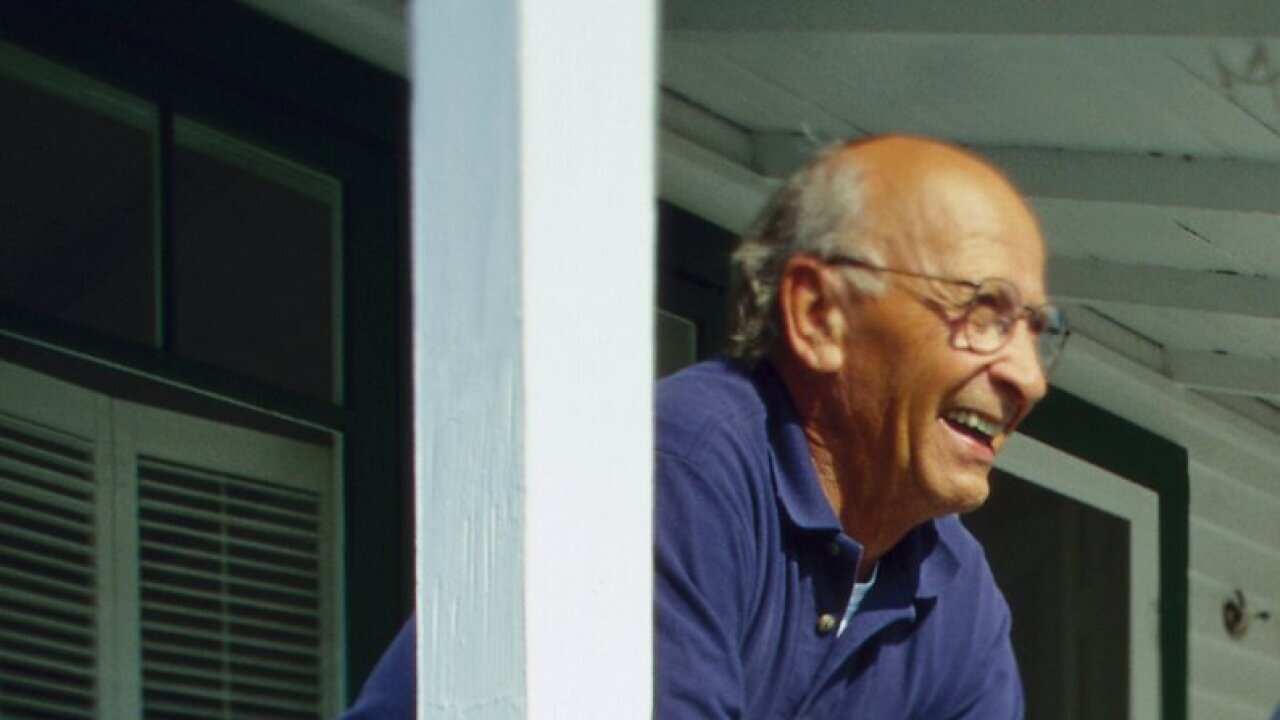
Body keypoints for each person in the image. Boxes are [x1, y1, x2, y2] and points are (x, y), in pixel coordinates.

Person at [342, 134, 1066, 718]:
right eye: (983, 313)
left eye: (1037, 330)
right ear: (819, 317)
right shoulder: (671, 472)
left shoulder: (955, 584)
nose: (1028, 377)